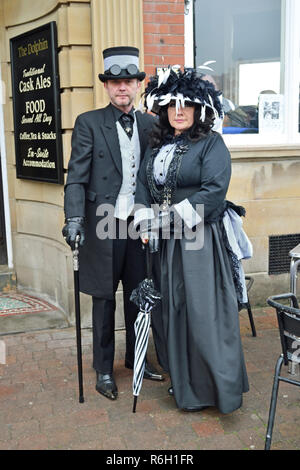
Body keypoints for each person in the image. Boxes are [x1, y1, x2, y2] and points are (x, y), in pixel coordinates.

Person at [134, 67, 251, 413]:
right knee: (173, 312)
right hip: (165, 246)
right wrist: (144, 221)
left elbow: (213, 194)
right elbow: (143, 185)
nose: (179, 112)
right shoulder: (158, 146)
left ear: (200, 110)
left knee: (203, 315)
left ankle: (215, 390)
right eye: (172, 106)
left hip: (200, 244)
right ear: (164, 111)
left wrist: (164, 221)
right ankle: (184, 386)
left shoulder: (212, 145)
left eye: (186, 106)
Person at [62, 46, 164, 401]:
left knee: (139, 297)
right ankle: (104, 369)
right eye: (115, 82)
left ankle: (138, 359)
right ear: (106, 87)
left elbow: (157, 175)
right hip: (103, 225)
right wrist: (74, 218)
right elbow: (75, 177)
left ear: (138, 85)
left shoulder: (152, 124)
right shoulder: (89, 123)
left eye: (129, 81)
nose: (123, 88)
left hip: (138, 226)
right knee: (104, 300)